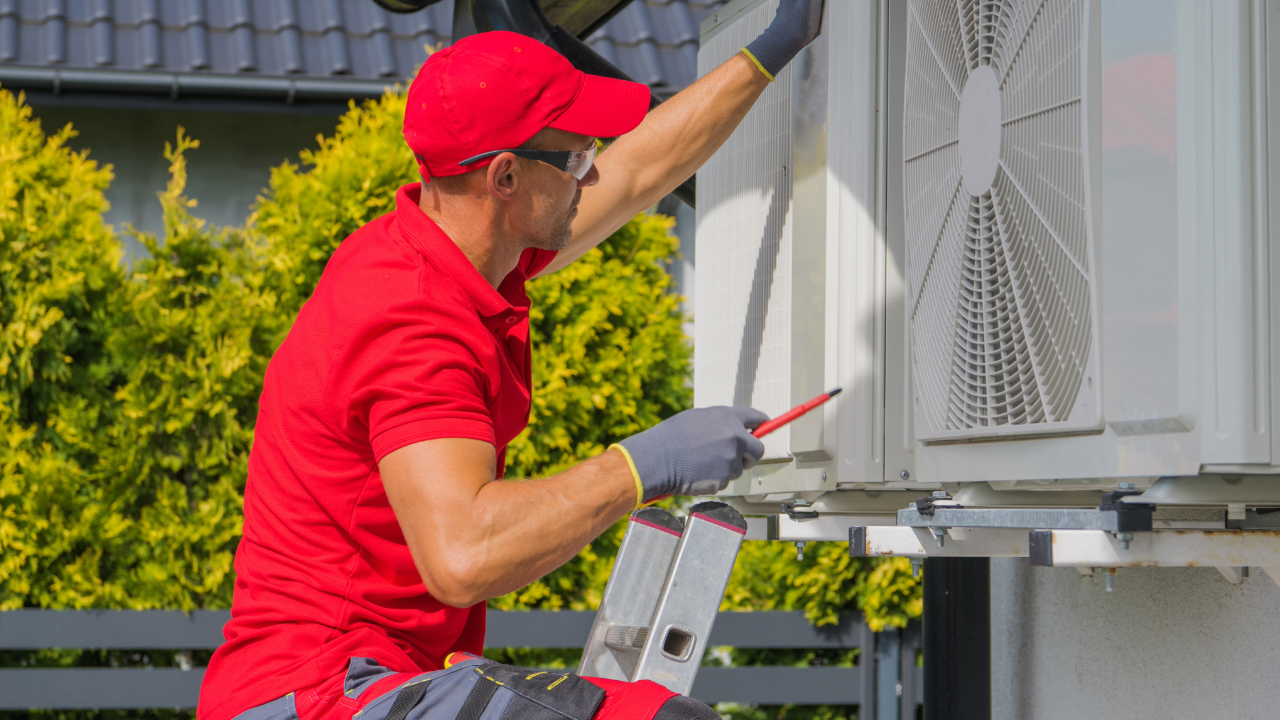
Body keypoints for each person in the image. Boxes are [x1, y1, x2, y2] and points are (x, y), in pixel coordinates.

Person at [199, 3, 824, 719]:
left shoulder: (458, 253)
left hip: (368, 678)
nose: (589, 177)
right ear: (504, 177)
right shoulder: (411, 321)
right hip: (320, 693)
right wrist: (641, 466)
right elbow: (463, 554)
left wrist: (775, 47)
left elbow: (638, 172)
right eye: (575, 158)